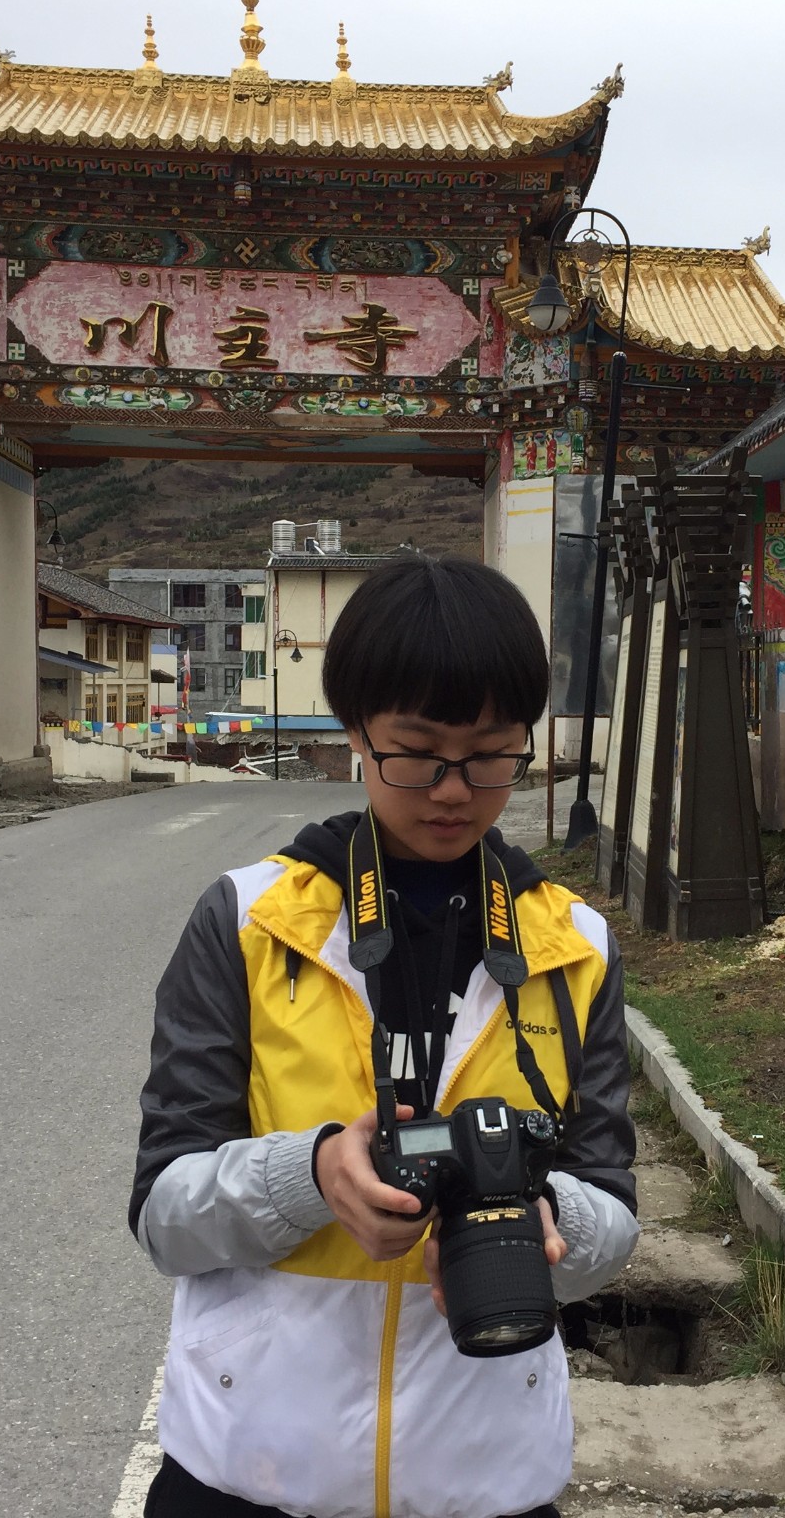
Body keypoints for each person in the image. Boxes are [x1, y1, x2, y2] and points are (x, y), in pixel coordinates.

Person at [131, 554, 639, 1518]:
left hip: (484, 1476)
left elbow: (614, 1207)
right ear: (357, 732)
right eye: (417, 750)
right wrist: (312, 1175)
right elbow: (164, 1214)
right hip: (251, 1474)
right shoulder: (247, 922)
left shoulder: (574, 945)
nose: (454, 790)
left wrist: (550, 1228)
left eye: (492, 753)